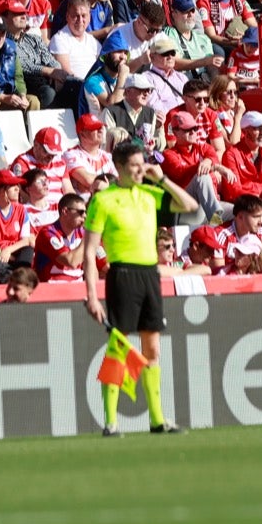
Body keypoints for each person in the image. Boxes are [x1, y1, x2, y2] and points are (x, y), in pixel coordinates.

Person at [83, 139, 202, 437]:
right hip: (122, 273)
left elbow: (192, 208)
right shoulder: (104, 200)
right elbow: (89, 251)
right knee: (119, 347)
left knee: (152, 348)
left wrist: (160, 177)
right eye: (134, 166)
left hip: (149, 274)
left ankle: (157, 420)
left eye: (141, 164)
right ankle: (110, 421)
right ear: (119, 167)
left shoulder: (149, 194)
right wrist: (92, 295)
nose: (139, 171)